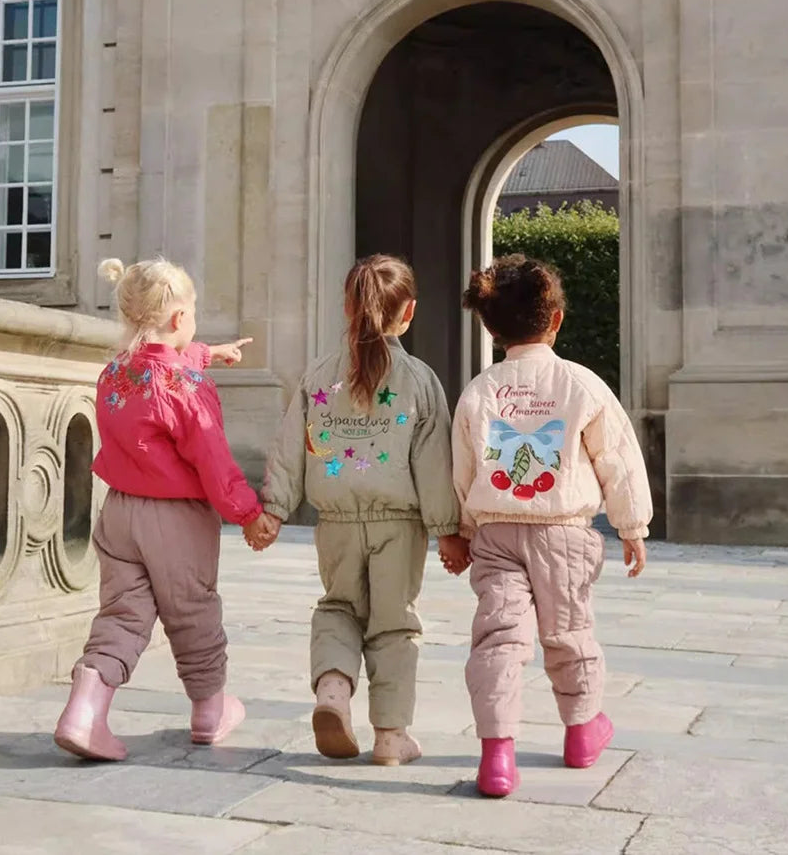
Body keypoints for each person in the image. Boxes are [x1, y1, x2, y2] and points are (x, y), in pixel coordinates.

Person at [53, 257, 274, 761]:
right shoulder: (188, 387)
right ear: (178, 318)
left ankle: (84, 710)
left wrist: (204, 353)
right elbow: (214, 461)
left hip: (119, 513)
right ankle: (209, 709)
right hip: (175, 519)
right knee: (193, 611)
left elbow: (154, 369)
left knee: (122, 616)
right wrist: (248, 513)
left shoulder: (114, 373)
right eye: (191, 315)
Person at [252, 255, 468, 765]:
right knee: (394, 623)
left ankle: (332, 689)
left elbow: (289, 447)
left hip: (337, 524)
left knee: (338, 608)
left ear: (347, 307)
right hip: (400, 524)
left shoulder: (318, 376)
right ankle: (391, 736)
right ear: (408, 312)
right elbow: (435, 463)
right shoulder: (420, 380)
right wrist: (449, 531)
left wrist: (274, 510)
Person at [452, 254, 652, 797]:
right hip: (563, 530)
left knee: (498, 639)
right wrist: (632, 525)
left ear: (491, 330)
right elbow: (616, 458)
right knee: (569, 633)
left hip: (495, 535)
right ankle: (583, 732)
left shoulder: (481, 389)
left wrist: (464, 529)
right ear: (557, 319)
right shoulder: (580, 383)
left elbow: (463, 467)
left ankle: (497, 755)